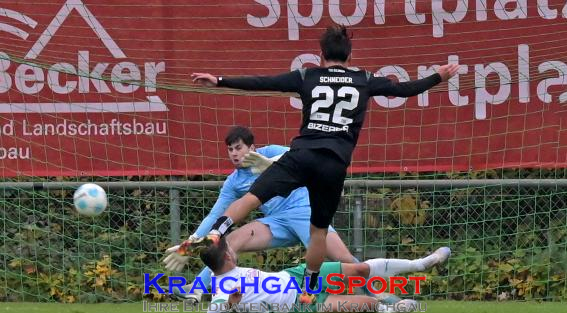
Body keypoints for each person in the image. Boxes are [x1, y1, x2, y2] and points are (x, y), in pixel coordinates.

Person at [173, 25, 459, 291]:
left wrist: (220, 80)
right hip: (333, 164)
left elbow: (264, 82)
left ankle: (217, 233)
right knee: (319, 231)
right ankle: (310, 287)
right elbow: (404, 90)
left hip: (302, 155)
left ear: (321, 55)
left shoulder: (307, 76)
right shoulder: (364, 80)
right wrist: (439, 76)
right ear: (350, 55)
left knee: (250, 198)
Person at [165, 126, 357, 302]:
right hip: (276, 223)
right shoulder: (233, 182)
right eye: (230, 150)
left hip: (304, 213)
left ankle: (378, 291)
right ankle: (198, 288)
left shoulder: (271, 152)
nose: (234, 153)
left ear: (252, 147)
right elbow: (216, 216)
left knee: (345, 260)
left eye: (238, 148)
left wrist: (270, 163)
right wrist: (190, 244)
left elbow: (302, 157)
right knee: (231, 241)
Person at [197, 235, 451, 313]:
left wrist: (187, 247)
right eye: (230, 248)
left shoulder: (214, 267)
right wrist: (229, 302)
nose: (233, 249)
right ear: (228, 258)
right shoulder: (224, 284)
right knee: (369, 305)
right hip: (301, 304)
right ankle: (393, 309)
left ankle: (420, 263)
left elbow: (202, 247)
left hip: (297, 277)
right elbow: (213, 310)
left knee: (359, 269)